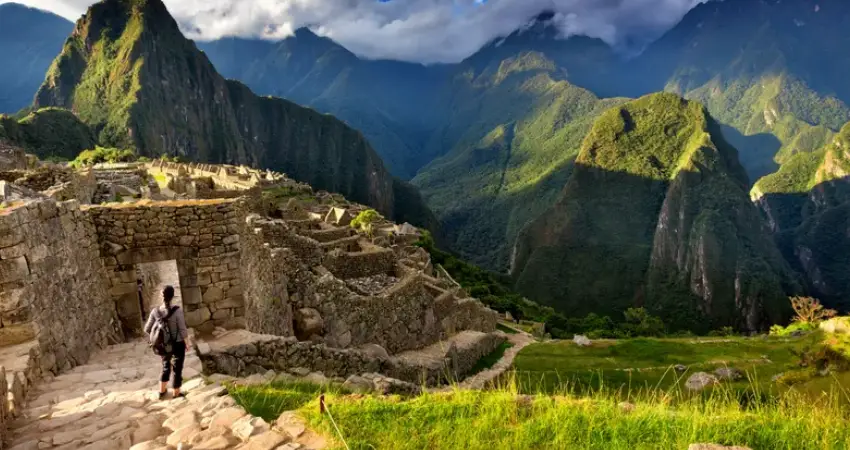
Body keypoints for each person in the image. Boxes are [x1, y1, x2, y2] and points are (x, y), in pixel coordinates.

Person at [143, 285, 191, 399]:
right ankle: (176, 393)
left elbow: (147, 329)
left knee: (165, 366)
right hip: (178, 343)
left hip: (163, 345)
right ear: (173, 296)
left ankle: (162, 391)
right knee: (177, 368)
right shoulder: (177, 311)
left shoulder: (155, 311)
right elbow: (182, 329)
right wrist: (187, 343)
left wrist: (158, 337)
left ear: (161, 296)